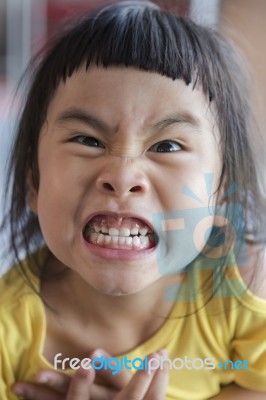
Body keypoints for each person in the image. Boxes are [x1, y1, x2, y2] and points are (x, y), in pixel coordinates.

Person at [0, 1, 266, 399]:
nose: (123, 177)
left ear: (221, 191)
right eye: (88, 141)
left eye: (168, 145)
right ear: (33, 182)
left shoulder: (247, 290)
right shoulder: (7, 329)